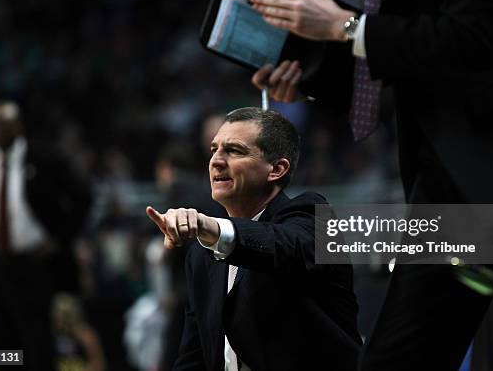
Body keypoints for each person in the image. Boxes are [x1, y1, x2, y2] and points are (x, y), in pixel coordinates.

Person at [248, 0, 493, 370]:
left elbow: (474, 36)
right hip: (450, 175)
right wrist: (312, 72)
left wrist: (345, 27)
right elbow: (404, 21)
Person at [146, 107, 362, 371]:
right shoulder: (202, 255)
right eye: (214, 149)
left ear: (277, 169)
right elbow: (194, 358)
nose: (215, 160)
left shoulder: (313, 218)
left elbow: (281, 244)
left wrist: (208, 225)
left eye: (234, 150)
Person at [0, 101, 92, 371]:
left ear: (17, 127)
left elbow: (83, 197)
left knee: (37, 340)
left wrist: (59, 238)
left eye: (1, 126)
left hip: (36, 263)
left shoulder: (45, 157)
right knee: (1, 342)